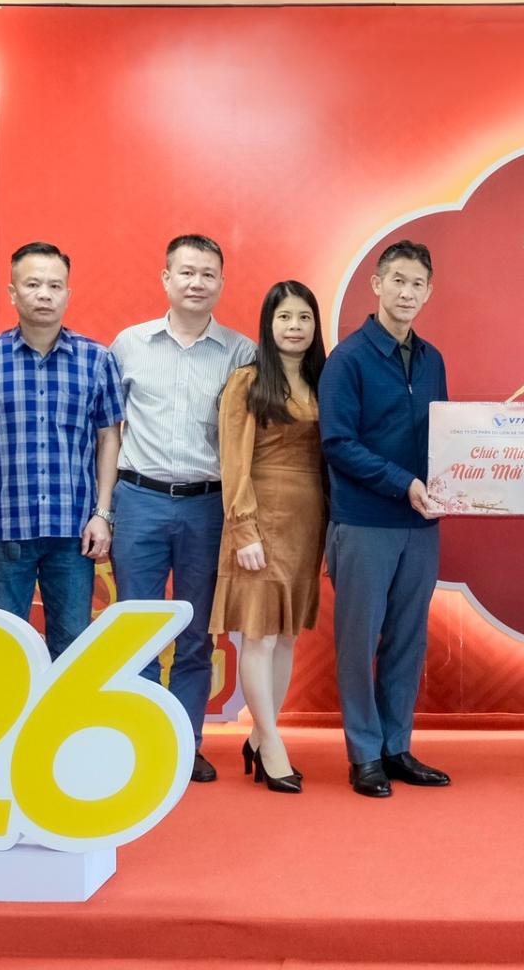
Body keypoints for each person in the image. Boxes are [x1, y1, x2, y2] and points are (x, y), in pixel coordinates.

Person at [108, 235, 256, 785]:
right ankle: (143, 741)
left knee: (197, 634)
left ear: (221, 282)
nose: (197, 283)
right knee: (138, 629)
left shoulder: (241, 353)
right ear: (165, 278)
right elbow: (106, 431)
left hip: (208, 506)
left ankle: (185, 743)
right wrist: (103, 508)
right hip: (139, 500)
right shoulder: (128, 345)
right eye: (187, 272)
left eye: (208, 274)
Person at [319, 239, 451, 798]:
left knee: (407, 640)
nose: (407, 292)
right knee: (358, 640)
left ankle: (398, 746)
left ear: (428, 292)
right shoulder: (347, 359)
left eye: (417, 283)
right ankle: (364, 754)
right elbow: (337, 443)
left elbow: (447, 435)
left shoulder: (432, 359)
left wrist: (461, 480)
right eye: (397, 280)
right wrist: (404, 482)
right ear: (376, 284)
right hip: (364, 522)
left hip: (421, 525)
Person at [0, 242, 123, 661]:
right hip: (5, 528)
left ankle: (66, 710)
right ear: (12, 293)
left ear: (67, 294)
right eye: (32, 284)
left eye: (54, 285)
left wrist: (102, 514)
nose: (44, 294)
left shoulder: (97, 359)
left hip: (74, 530)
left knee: (72, 646)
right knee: (2, 648)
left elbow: (109, 439)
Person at [212, 280, 328, 795]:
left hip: (307, 522)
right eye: (285, 317)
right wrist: (244, 530)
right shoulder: (248, 381)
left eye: (304, 317)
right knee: (257, 636)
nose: (295, 327)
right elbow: (233, 462)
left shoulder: (324, 381)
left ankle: (261, 736)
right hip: (259, 521)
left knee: (285, 636)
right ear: (268, 324)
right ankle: (273, 745)